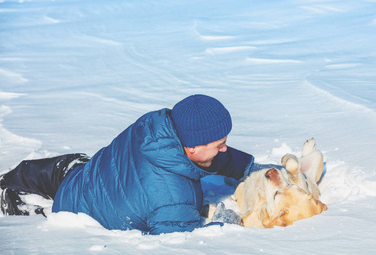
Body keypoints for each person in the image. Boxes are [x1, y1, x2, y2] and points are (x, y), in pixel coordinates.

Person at [0, 94, 255, 234]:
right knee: (16, 201)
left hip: (83, 172)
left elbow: (211, 153)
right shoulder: (173, 199)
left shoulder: (155, 126)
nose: (224, 148)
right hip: (73, 209)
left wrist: (248, 168)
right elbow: (179, 246)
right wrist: (224, 226)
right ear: (191, 147)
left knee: (32, 171)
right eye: (219, 143)